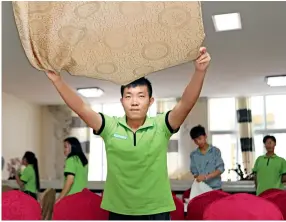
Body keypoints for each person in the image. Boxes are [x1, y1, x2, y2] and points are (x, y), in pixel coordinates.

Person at [46, 47, 211, 220]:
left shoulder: (161, 125)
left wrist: (200, 72)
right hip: (119, 210)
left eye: (141, 96)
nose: (134, 102)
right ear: (122, 101)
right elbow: (81, 108)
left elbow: (185, 104)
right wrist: (57, 81)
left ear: (150, 101)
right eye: (128, 96)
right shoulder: (110, 126)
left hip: (156, 210)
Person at [189, 125, 225, 190]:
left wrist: (206, 177)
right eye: (195, 141)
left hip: (216, 189)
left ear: (205, 136)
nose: (198, 142)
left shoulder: (215, 151)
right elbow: (194, 172)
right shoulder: (193, 155)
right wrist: (197, 177)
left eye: (200, 139)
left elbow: (220, 169)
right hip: (201, 190)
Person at [56, 137, 88, 202]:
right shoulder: (82, 161)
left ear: (73, 147)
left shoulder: (71, 160)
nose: (64, 150)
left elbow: (70, 181)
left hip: (72, 198)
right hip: (83, 197)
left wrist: (59, 198)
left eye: (65, 147)